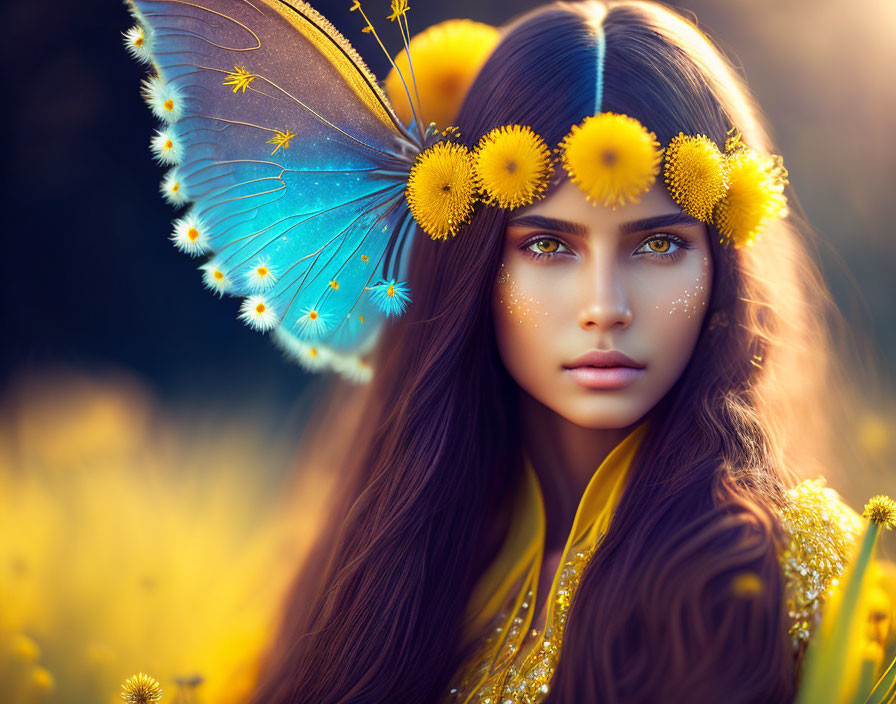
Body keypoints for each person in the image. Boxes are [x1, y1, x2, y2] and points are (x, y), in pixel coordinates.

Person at [121, 0, 895, 701]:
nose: (604, 307)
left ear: (722, 263)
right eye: (549, 245)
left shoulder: (799, 568)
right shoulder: (396, 565)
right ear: (473, 263)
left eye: (658, 243)